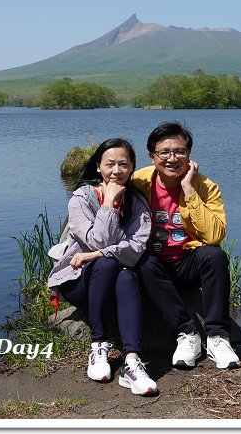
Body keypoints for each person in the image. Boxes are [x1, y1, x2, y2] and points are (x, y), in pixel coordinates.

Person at [47, 138, 158, 396]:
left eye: (123, 164)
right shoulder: (81, 198)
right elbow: (96, 239)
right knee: (108, 264)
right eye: (110, 164)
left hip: (118, 279)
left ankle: (132, 362)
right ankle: (98, 346)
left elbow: (135, 249)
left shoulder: (137, 202)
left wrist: (94, 254)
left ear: (132, 167)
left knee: (126, 275)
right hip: (79, 282)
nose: (116, 171)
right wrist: (108, 203)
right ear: (98, 166)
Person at [132, 122, 241, 370]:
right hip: (156, 267)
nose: (172, 158)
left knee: (213, 255)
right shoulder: (139, 182)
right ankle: (187, 333)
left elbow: (214, 235)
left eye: (180, 151)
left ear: (189, 155)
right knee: (142, 261)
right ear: (152, 156)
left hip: (188, 263)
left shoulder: (205, 187)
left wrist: (189, 190)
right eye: (164, 152)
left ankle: (217, 338)